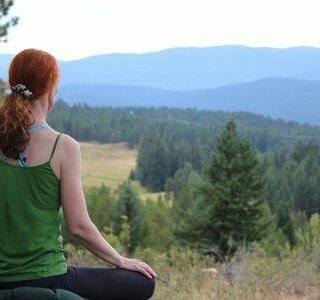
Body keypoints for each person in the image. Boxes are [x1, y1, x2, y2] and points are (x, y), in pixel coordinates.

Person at [0, 49, 157, 300]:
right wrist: (119, 259)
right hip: (49, 277)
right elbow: (79, 226)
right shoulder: (62, 146)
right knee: (142, 282)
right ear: (51, 90)